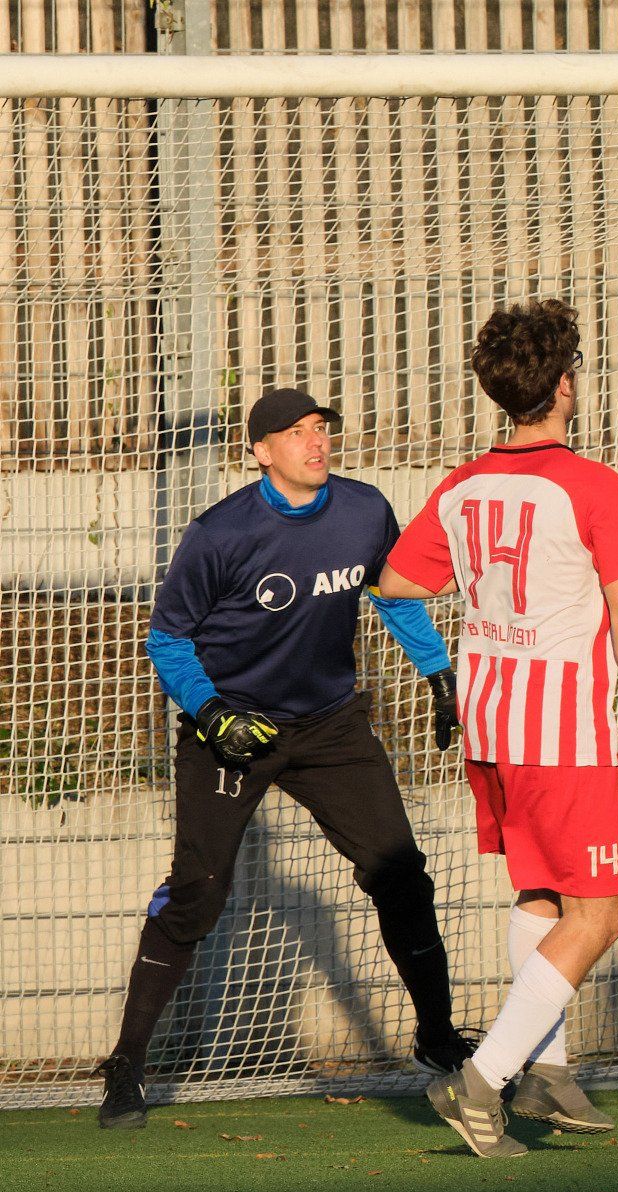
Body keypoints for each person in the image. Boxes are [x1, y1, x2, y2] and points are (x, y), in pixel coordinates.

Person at [97, 387, 468, 1130]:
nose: (316, 442)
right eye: (296, 433)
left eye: (321, 428)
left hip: (331, 726)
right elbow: (168, 640)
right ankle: (126, 1065)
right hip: (233, 727)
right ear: (261, 451)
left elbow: (393, 595)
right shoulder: (220, 533)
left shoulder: (364, 510)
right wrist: (210, 713)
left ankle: (438, 1039)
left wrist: (438, 673)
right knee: (198, 892)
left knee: (401, 874)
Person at [381, 300, 618, 1158]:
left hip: (489, 719)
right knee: (601, 913)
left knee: (542, 894)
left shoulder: (463, 486)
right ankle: (482, 1081)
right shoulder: (591, 485)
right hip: (560, 730)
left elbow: (396, 582)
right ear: (565, 386)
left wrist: (480, 600)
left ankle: (546, 1068)